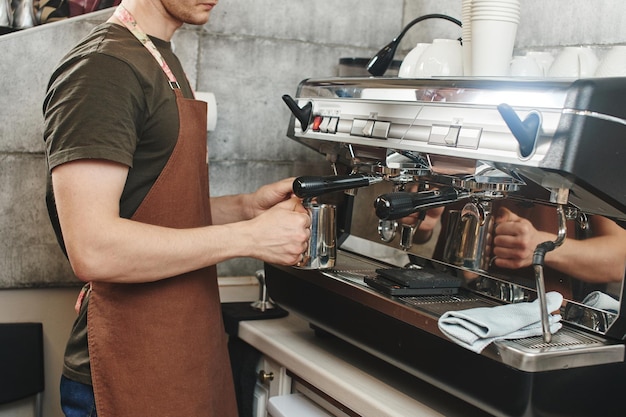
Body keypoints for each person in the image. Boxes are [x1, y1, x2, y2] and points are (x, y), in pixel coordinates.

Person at [42, 1, 311, 416]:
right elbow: (94, 248)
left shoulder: (158, 56)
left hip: (183, 353)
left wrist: (246, 208)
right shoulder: (103, 68)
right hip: (128, 369)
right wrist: (250, 238)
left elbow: (153, 209)